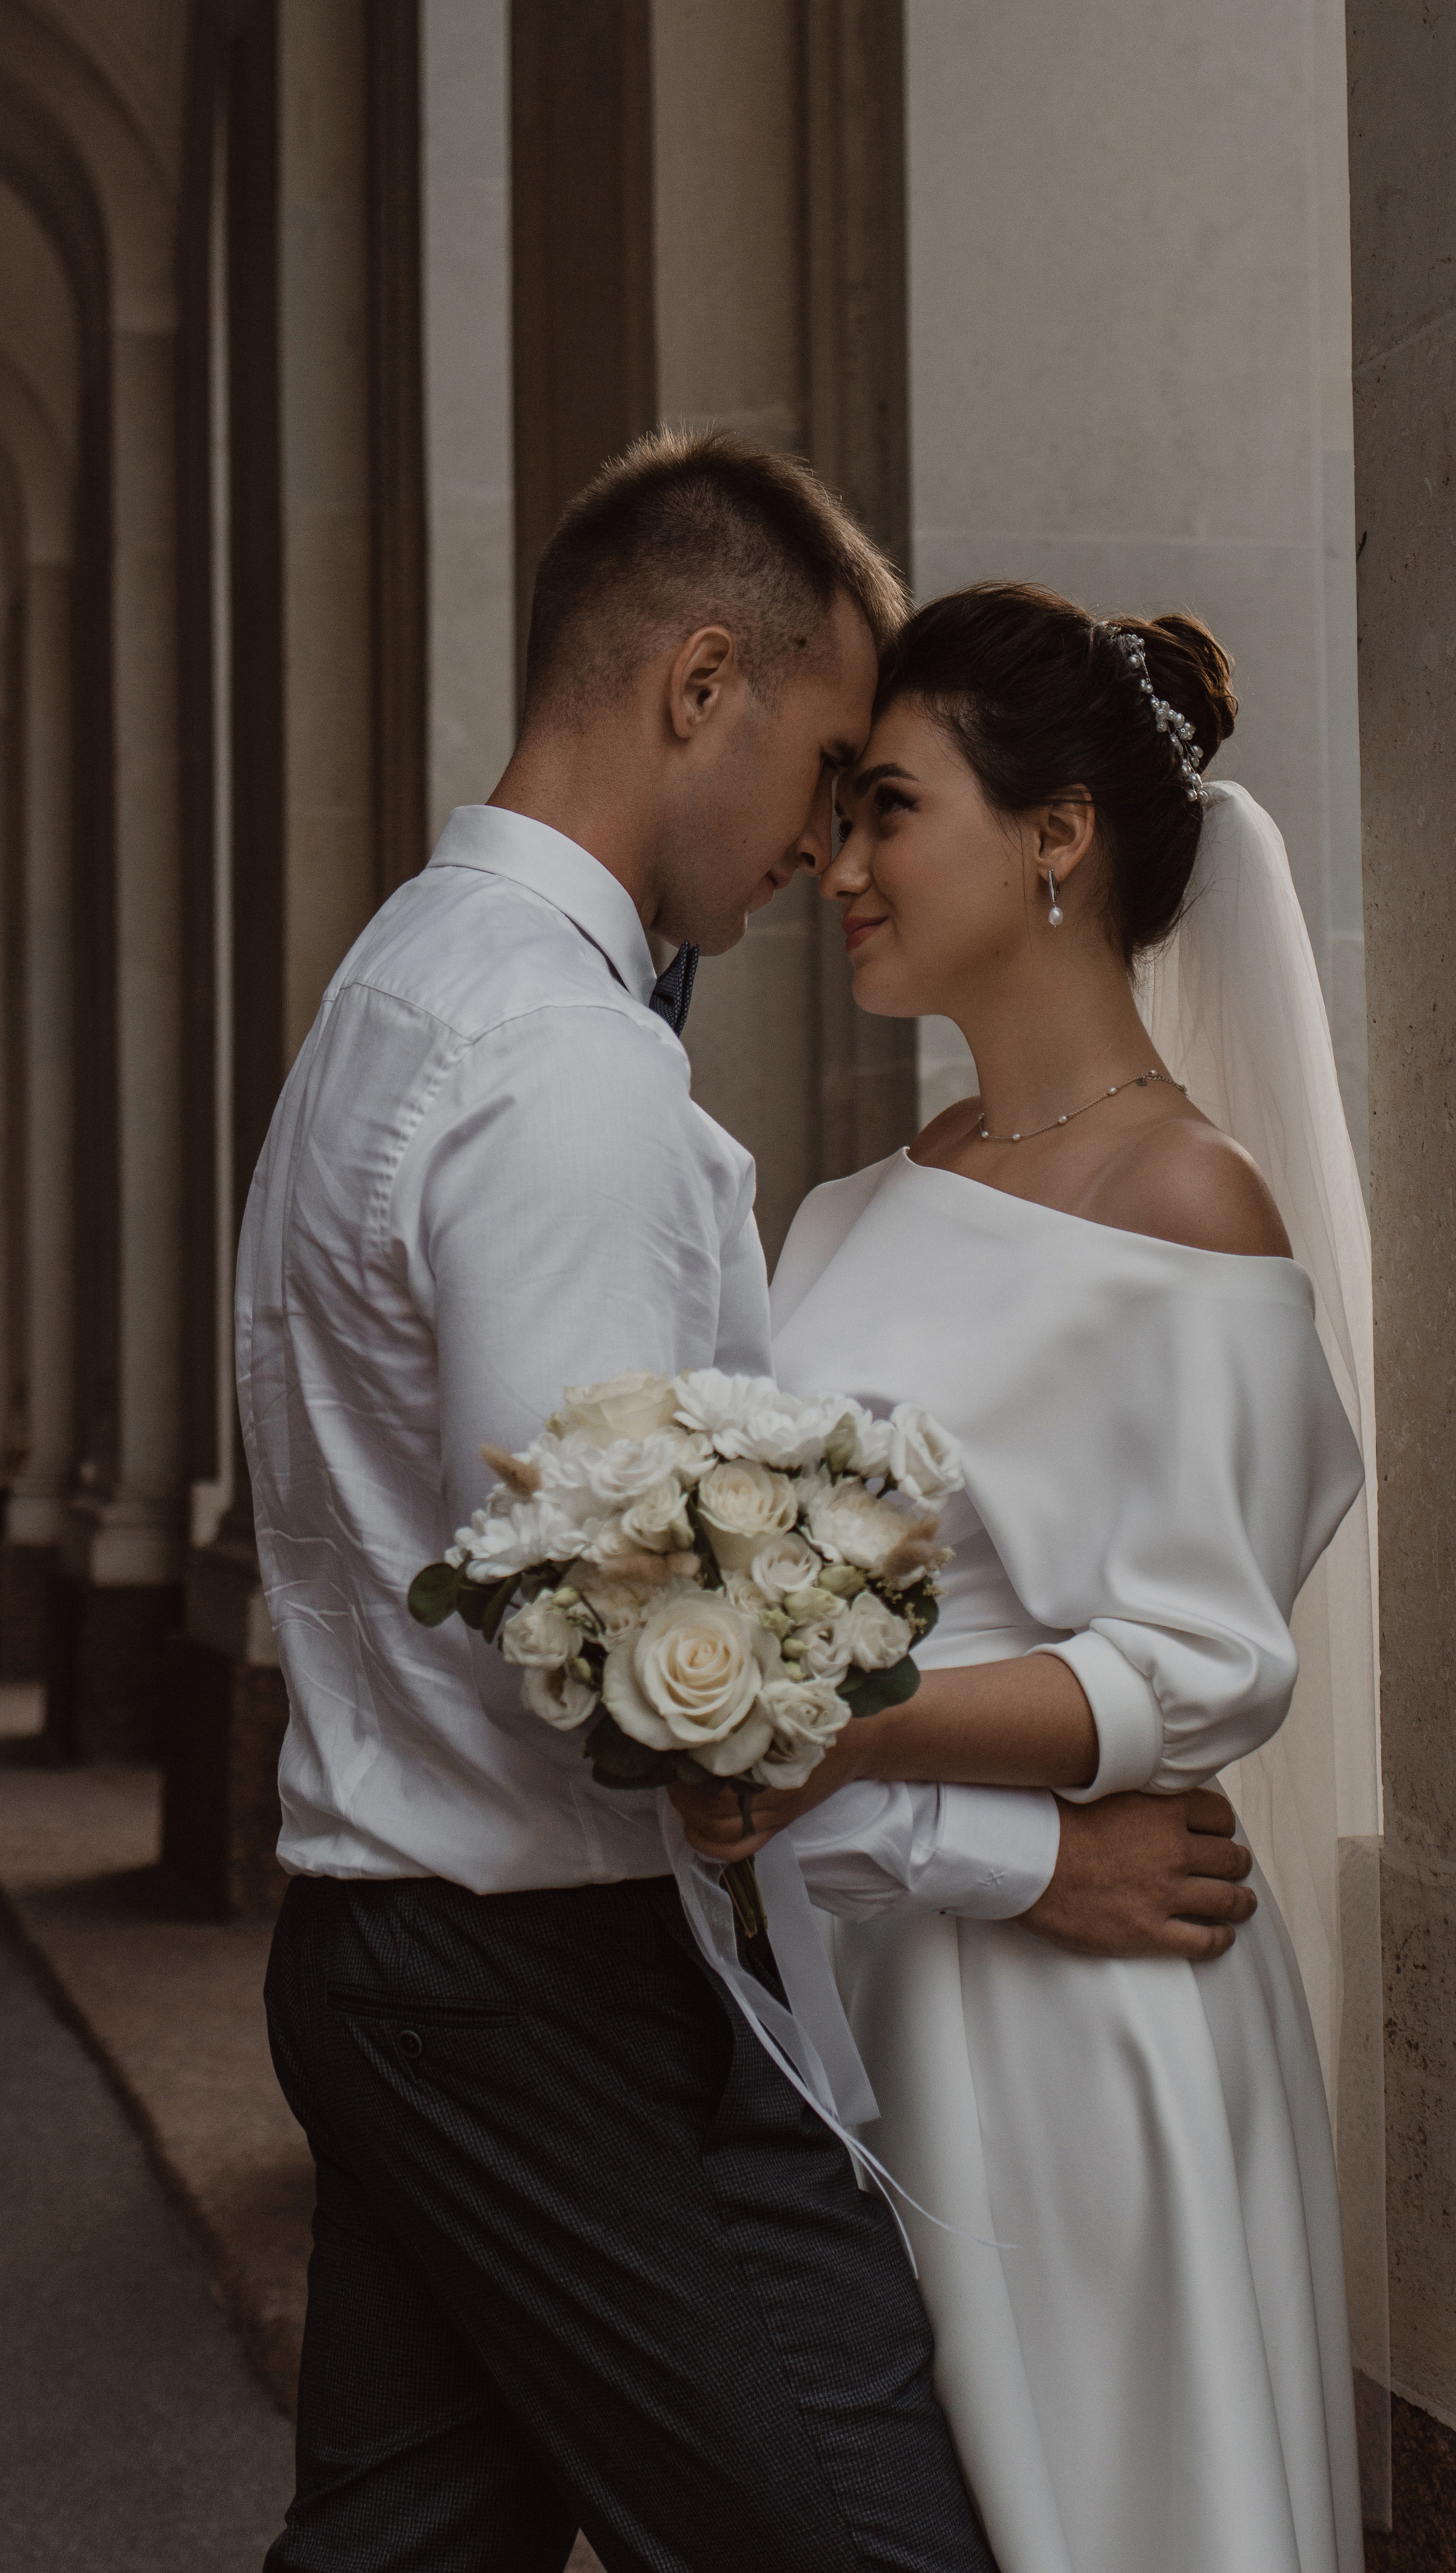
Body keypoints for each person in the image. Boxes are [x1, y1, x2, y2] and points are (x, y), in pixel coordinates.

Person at [239, 448, 1258, 2573]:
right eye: (821, 766)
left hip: (394, 1941)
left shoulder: (396, 990)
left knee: (409, 2544)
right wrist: (1012, 1857)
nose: (821, 840)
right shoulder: (568, 1074)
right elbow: (624, 1674)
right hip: (560, 1986)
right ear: (699, 680)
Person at [675, 583, 1366, 2573]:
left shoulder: (1191, 1204)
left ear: (1057, 835)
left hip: (1081, 2014)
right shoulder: (846, 1206)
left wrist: (824, 1729)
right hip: (865, 1963)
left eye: (889, 808)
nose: (836, 862)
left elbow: (1207, 1663)